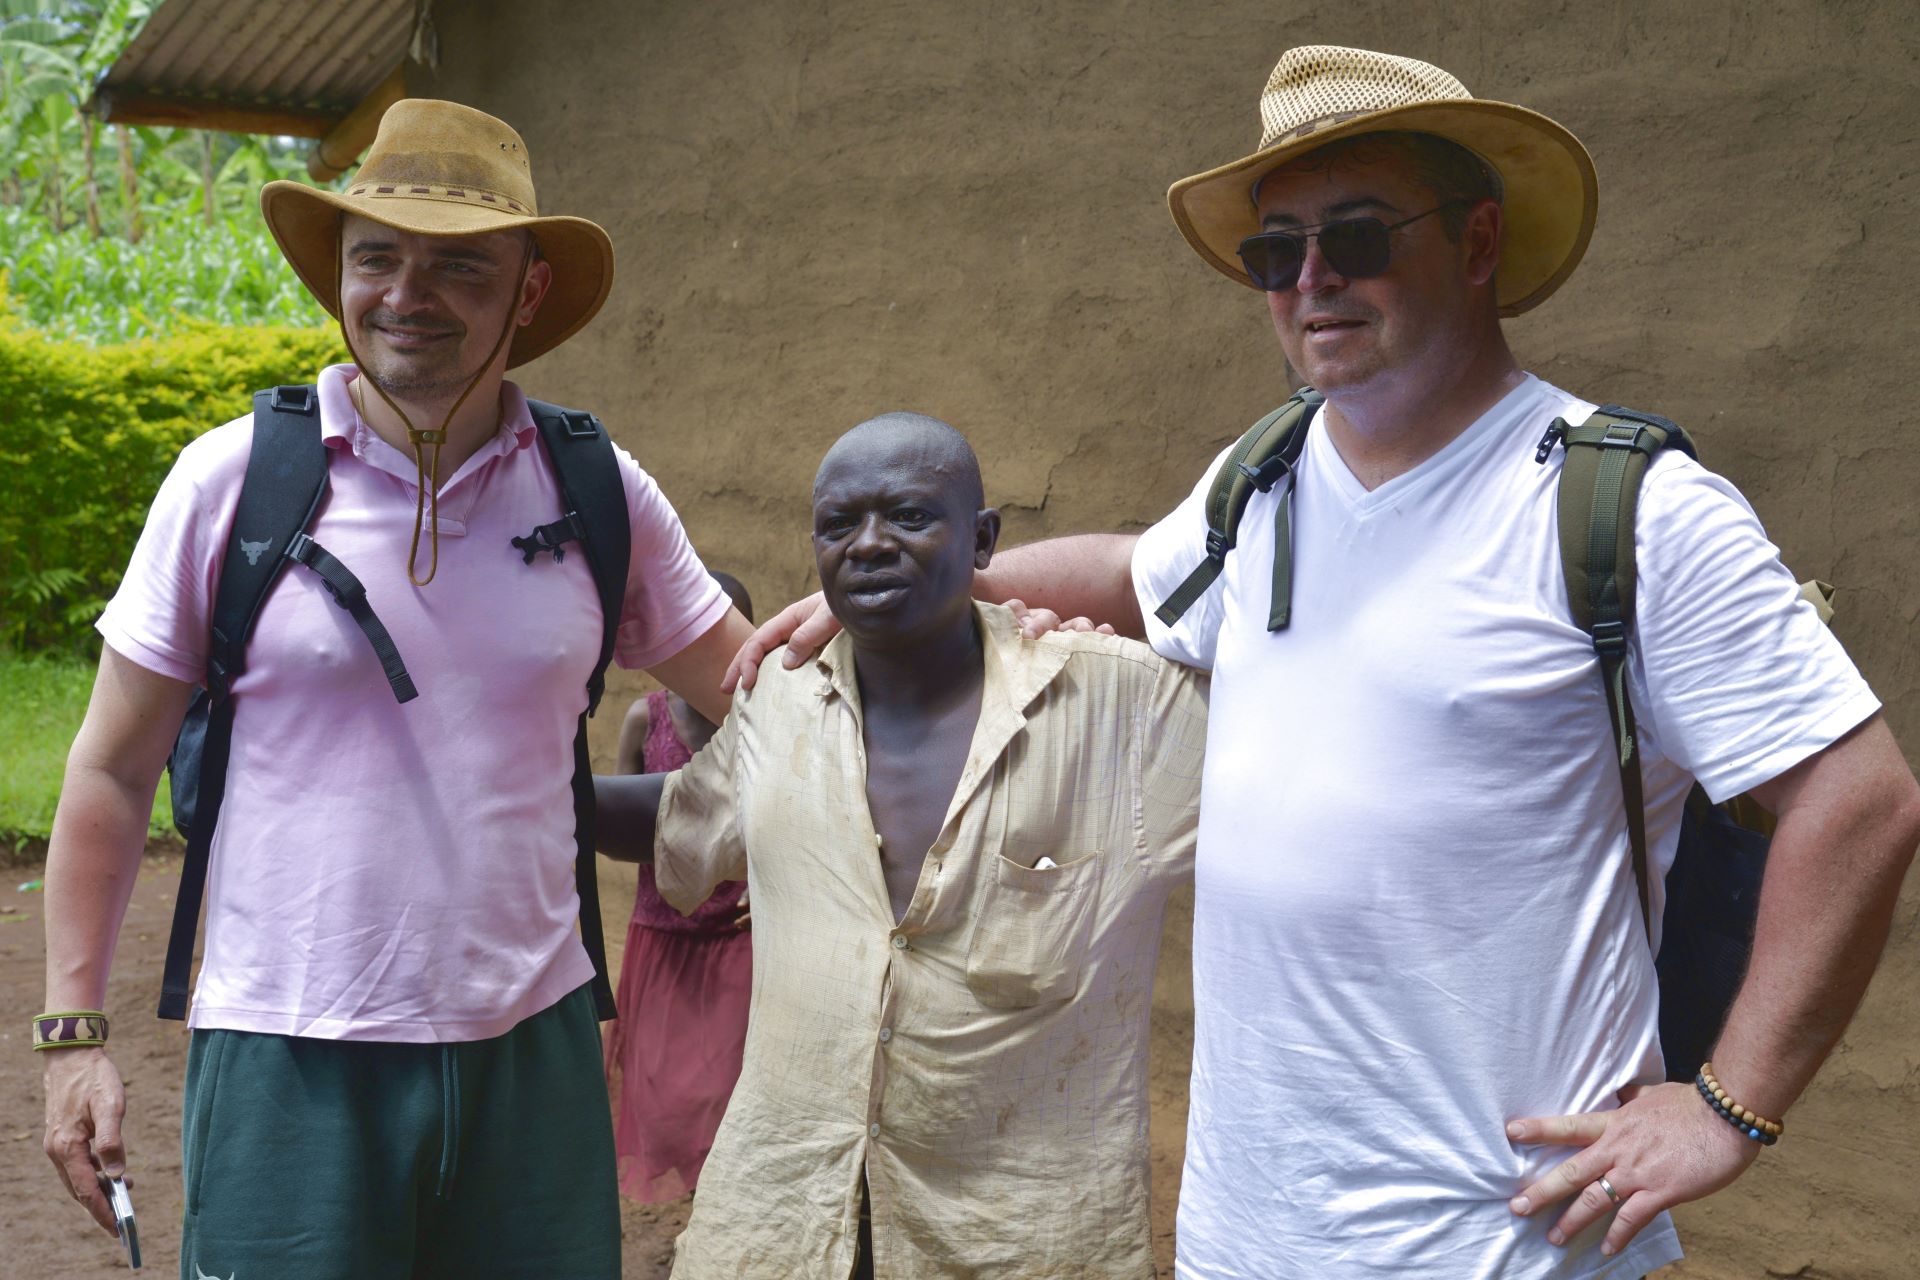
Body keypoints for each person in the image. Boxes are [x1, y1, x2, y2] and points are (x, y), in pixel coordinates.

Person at [727, 46, 1920, 1279]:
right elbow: (1140, 576)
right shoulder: (1272, 478)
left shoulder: (1630, 507)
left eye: (1354, 235)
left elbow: (1861, 798)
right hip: (1249, 1231)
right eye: (1273, 251)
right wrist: (929, 592)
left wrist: (1730, 1107)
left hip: (1499, 1239)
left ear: (1477, 243)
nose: (1310, 279)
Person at [39, 99, 753, 1277]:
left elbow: (756, 686)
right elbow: (110, 767)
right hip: (287, 1049)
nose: (405, 294)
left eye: (458, 266)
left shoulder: (596, 489)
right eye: (376, 256)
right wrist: (71, 1037)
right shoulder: (233, 481)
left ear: (527, 292)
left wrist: (962, 629)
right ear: (340, 274)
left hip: (536, 1046)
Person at [594, 412, 1208, 1278]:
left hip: (1018, 1240)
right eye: (840, 524)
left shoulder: (1125, 709)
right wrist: (532, 797)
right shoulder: (780, 702)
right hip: (784, 1225)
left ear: (984, 539)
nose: (870, 544)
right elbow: (683, 817)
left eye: (909, 517)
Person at [603, 569, 755, 1202]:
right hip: (663, 933)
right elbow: (618, 815)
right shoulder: (646, 717)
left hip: (738, 940)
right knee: (663, 1097)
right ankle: (698, 1208)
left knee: (728, 1088)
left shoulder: (759, 723)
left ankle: (721, 1215)